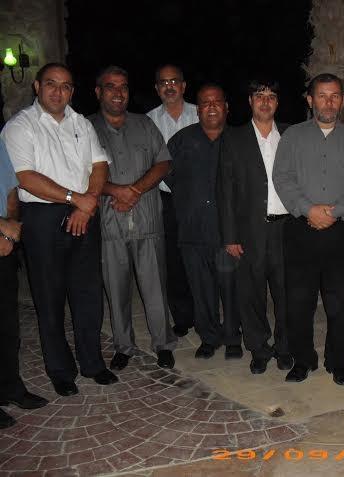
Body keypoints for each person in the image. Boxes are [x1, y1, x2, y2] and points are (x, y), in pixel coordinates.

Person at [0, 63, 118, 396]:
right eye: (51, 84)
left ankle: (92, 363)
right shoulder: (19, 126)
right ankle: (60, 370)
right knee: (49, 296)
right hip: (42, 217)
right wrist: (75, 199)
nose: (58, 91)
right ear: (37, 87)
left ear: (72, 91)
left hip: (84, 210)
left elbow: (99, 165)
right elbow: (25, 177)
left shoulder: (81, 122)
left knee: (88, 293)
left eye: (66, 86)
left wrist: (87, 203)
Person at [273, 73, 344, 385]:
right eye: (322, 96)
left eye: (334, 96)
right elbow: (282, 178)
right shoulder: (293, 137)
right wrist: (308, 209)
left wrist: (335, 212)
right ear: (310, 99)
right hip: (300, 231)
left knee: (340, 303)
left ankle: (338, 362)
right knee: (298, 302)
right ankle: (303, 361)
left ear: (342, 100)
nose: (328, 102)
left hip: (340, 233)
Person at [89, 65, 177, 371]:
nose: (118, 92)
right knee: (116, 290)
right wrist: (116, 191)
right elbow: (80, 172)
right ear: (98, 92)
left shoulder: (145, 124)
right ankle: (124, 346)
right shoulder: (85, 127)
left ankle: (163, 343)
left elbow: (163, 163)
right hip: (109, 222)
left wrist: (135, 190)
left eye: (123, 87)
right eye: (110, 86)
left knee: (155, 288)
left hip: (147, 219)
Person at [219, 78, 292, 374]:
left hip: (286, 229)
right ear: (250, 101)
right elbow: (225, 190)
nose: (265, 101)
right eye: (259, 96)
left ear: (277, 102)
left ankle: (285, 347)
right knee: (251, 293)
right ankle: (259, 348)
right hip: (250, 231)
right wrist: (230, 236)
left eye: (271, 96)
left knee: (287, 292)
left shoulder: (290, 135)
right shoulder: (233, 138)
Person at [165, 83, 242, 360]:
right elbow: (167, 174)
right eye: (205, 103)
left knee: (231, 288)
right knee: (201, 290)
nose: (211, 107)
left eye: (216, 102)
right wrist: (189, 199)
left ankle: (233, 337)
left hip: (227, 232)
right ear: (197, 110)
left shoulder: (239, 140)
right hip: (193, 230)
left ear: (226, 107)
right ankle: (209, 337)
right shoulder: (181, 140)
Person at [0, 138, 48, 428]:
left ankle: (9, 386)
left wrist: (10, 231)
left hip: (3, 244)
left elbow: (10, 190)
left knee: (7, 324)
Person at [147, 64, 197, 337]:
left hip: (199, 199)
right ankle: (182, 315)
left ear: (183, 85)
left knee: (201, 257)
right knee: (173, 260)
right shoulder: (148, 121)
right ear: (157, 88)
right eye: (163, 82)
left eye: (174, 81)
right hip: (165, 199)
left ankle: (205, 312)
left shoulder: (201, 112)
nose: (169, 86)